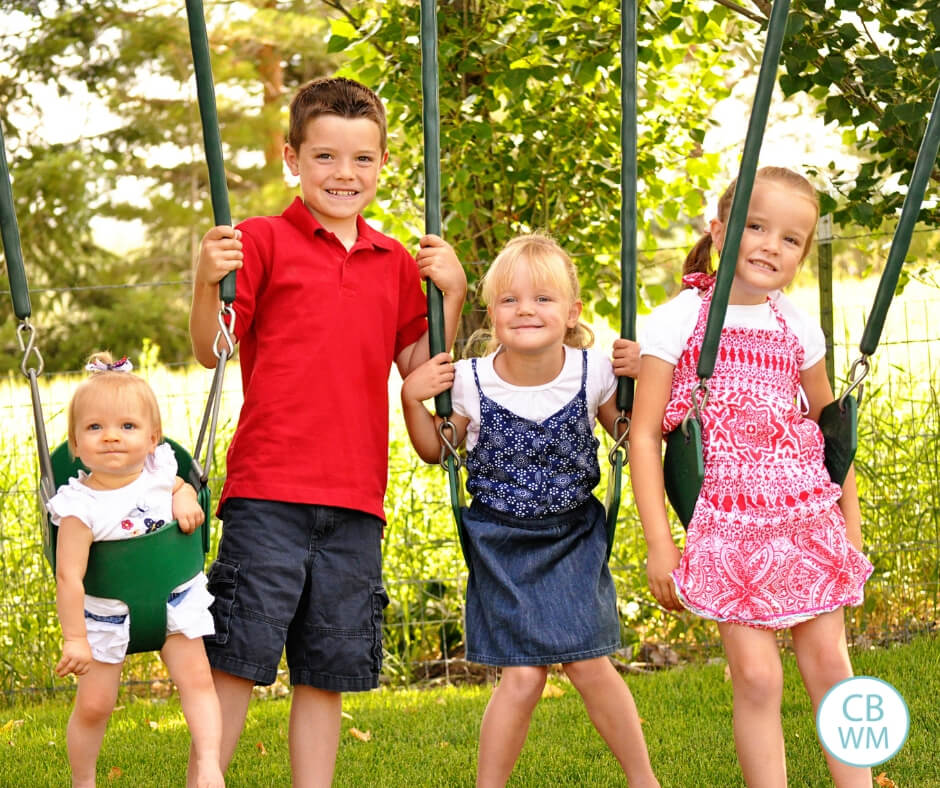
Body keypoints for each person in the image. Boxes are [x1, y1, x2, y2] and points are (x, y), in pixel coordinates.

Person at [189, 76, 466, 786]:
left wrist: (454, 296)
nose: (345, 174)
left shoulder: (397, 262)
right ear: (292, 157)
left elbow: (423, 371)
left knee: (328, 668)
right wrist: (203, 282)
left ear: (381, 164)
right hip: (268, 491)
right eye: (325, 157)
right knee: (238, 657)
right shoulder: (260, 241)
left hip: (355, 500)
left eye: (362, 159)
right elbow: (212, 348)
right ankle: (205, 776)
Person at [629, 166, 874, 787]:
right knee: (758, 677)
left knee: (830, 665)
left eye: (791, 239)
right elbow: (644, 434)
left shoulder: (799, 327)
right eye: (755, 227)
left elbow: (829, 436)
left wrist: (850, 524)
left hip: (805, 514)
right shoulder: (678, 320)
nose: (771, 245)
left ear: (803, 253)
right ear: (718, 232)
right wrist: (662, 544)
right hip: (728, 524)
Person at [401, 234, 658, 788]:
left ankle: (644, 779)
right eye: (510, 300)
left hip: (573, 535)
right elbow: (434, 451)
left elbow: (629, 432)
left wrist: (646, 378)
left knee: (590, 664)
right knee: (521, 677)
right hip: (500, 541)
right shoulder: (468, 380)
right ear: (491, 312)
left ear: (572, 312)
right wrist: (410, 400)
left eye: (543, 299)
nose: (526, 310)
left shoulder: (594, 371)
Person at [47, 352, 223, 788]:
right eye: (94, 427)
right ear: (74, 444)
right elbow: (69, 576)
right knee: (95, 706)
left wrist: (183, 495)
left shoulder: (161, 470)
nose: (111, 437)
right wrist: (75, 639)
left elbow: (180, 484)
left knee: (198, 681)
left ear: (152, 438)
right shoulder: (77, 507)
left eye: (127, 426)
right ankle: (82, 780)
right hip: (106, 617)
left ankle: (208, 766)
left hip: (175, 602)